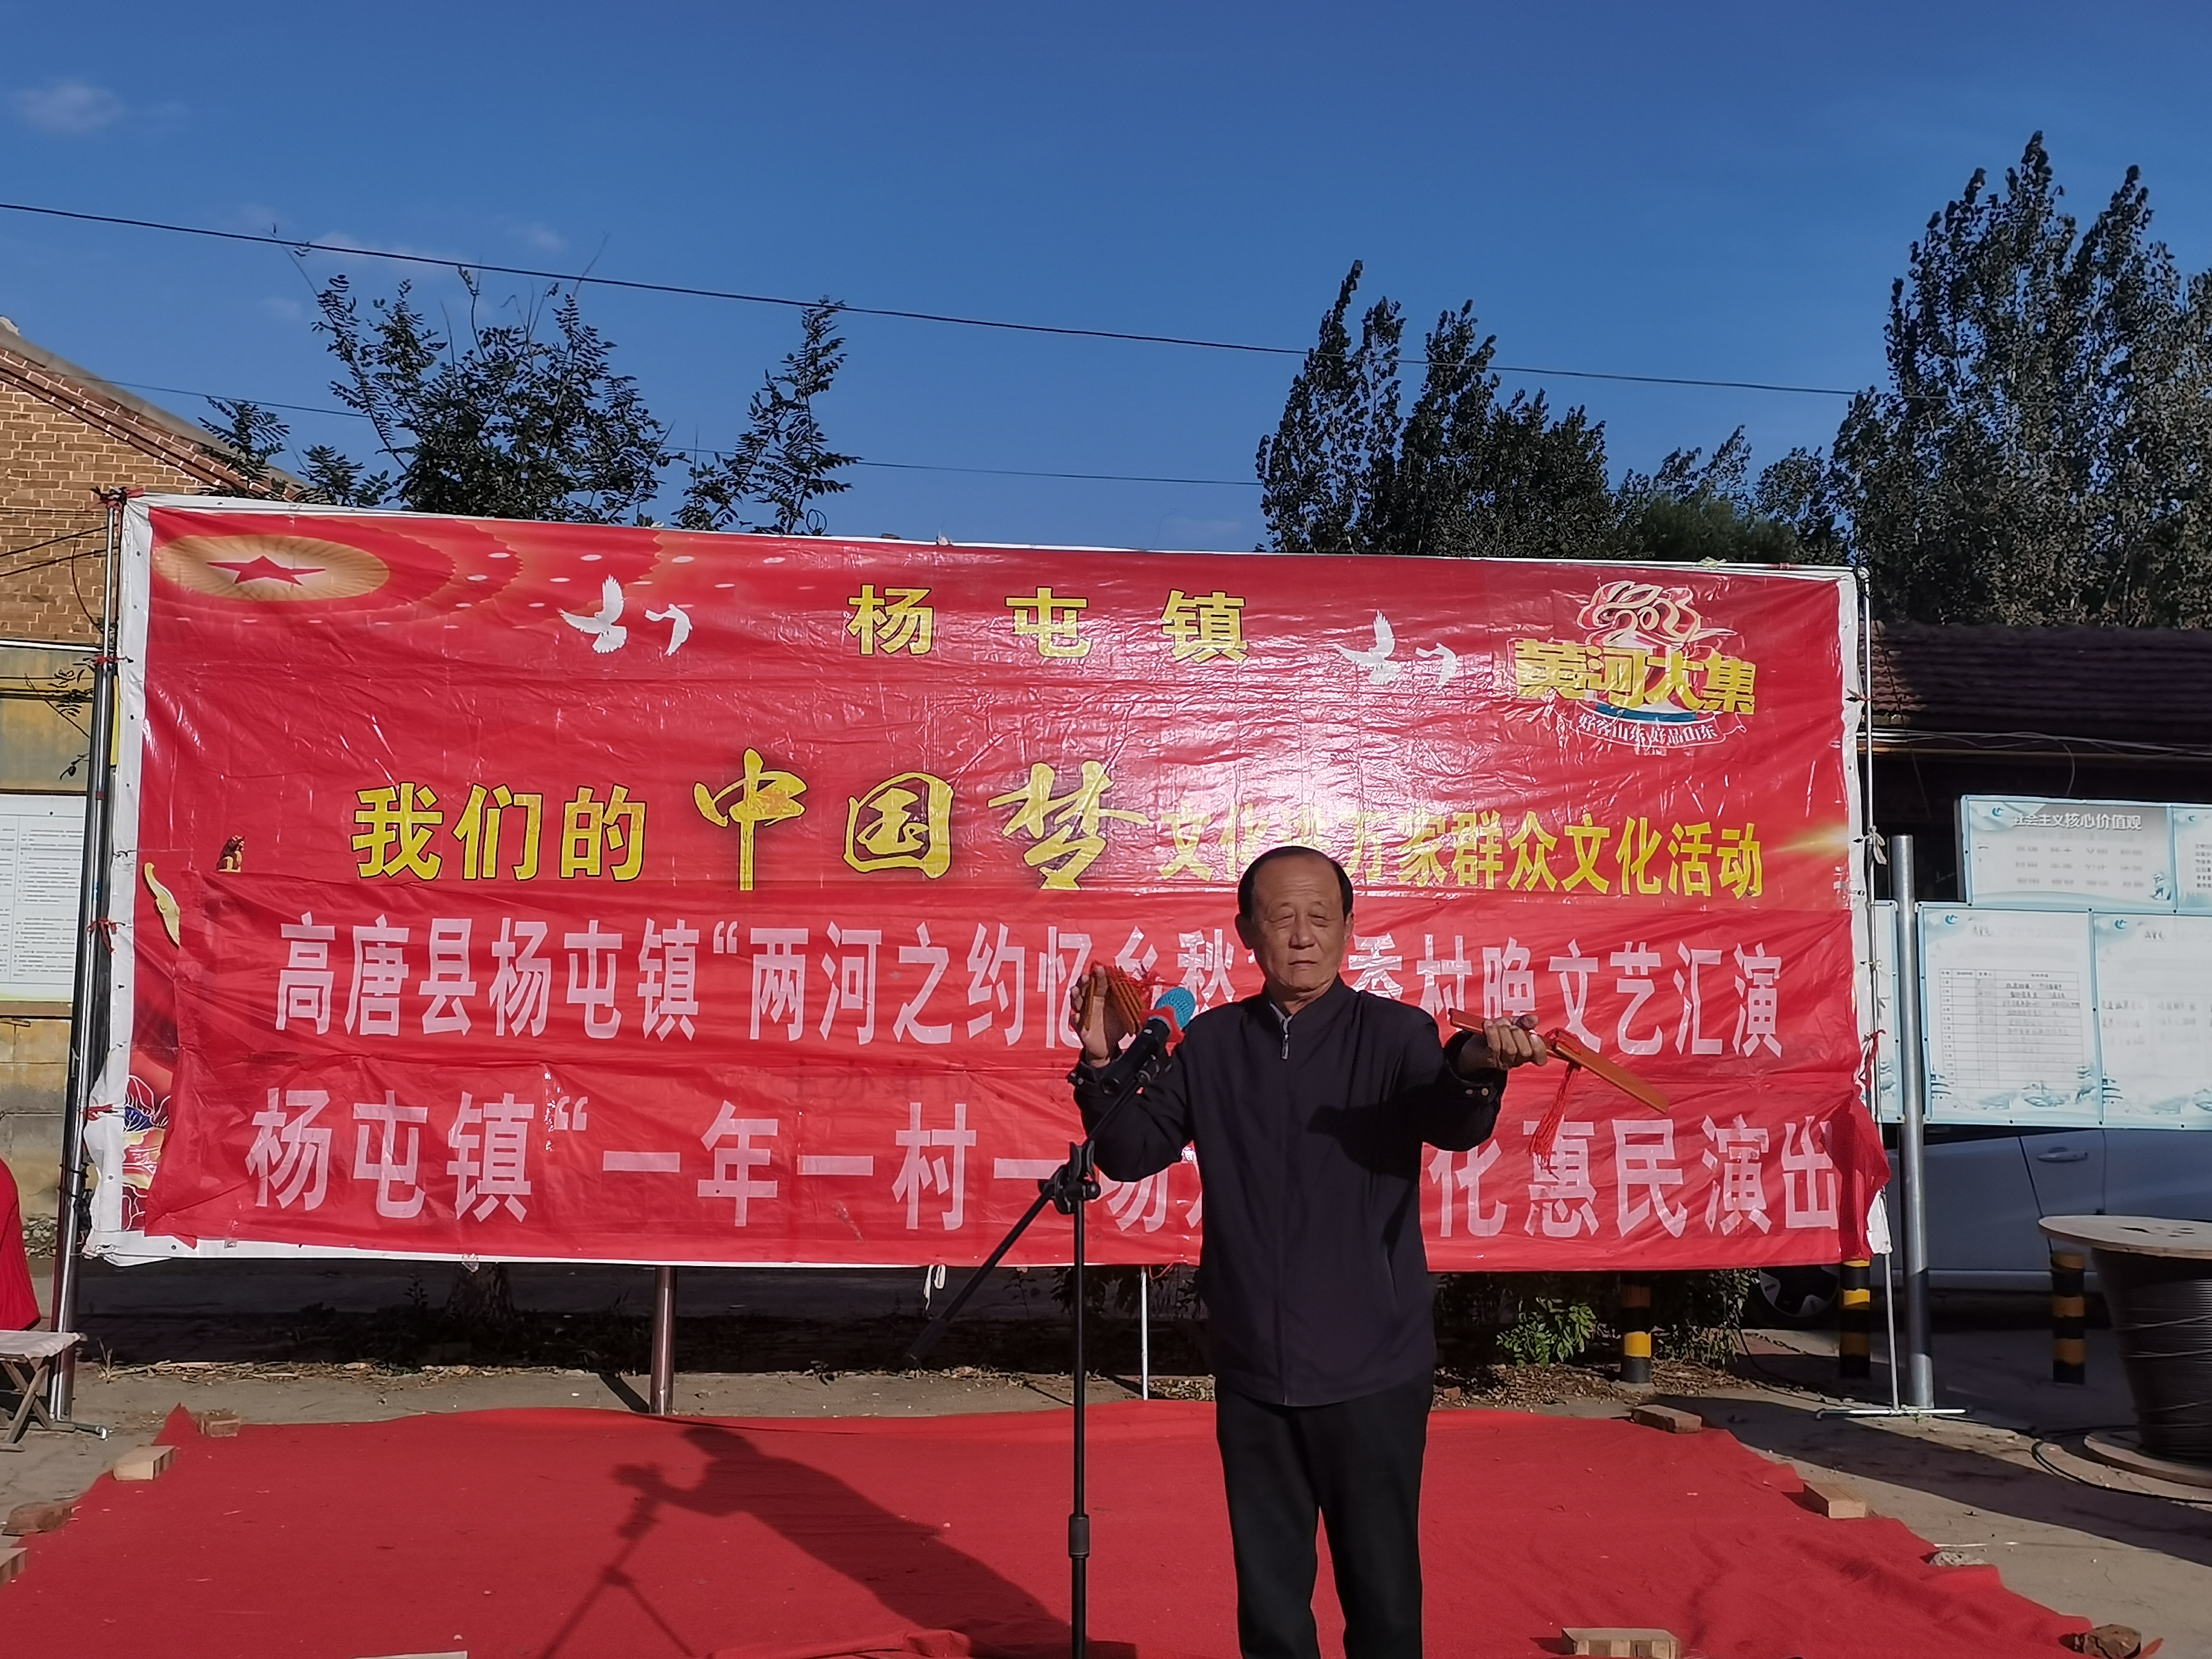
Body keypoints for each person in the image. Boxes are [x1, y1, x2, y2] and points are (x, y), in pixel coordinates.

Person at [1070, 845, 1548, 1659]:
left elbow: (1452, 1116)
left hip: (1374, 1365)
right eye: (1282, 917)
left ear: (1349, 928)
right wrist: (1102, 1059)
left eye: (1321, 917)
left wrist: (1477, 1065)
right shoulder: (1214, 1044)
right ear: (1246, 933)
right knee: (1272, 1610)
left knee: (1383, 1601)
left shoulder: (1394, 1034)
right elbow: (1130, 1151)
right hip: (1254, 1364)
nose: (1302, 936)